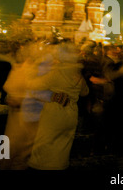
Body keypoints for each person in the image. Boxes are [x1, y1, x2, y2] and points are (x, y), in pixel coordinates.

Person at [27, 42, 89, 170]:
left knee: (44, 145)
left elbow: (33, 85)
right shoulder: (78, 74)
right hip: (71, 114)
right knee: (63, 146)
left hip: (54, 114)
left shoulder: (56, 73)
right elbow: (85, 92)